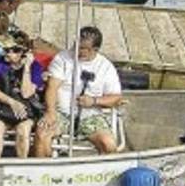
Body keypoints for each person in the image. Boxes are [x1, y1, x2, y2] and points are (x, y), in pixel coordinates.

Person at [35, 26, 122, 156]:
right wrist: (50, 112)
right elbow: (52, 87)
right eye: (76, 45)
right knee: (42, 134)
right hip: (61, 113)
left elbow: (116, 98)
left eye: (82, 48)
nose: (77, 50)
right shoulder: (62, 58)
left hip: (90, 115)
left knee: (108, 144)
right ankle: (43, 172)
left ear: (95, 50)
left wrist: (94, 101)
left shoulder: (106, 67)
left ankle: (99, 173)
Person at [0, 39, 44, 158]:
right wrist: (12, 102)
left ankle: (21, 166)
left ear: (24, 53)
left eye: (15, 50)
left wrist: (27, 68)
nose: (8, 53)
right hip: (3, 109)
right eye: (6, 50)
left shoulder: (36, 67)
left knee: (23, 131)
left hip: (25, 111)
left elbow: (26, 93)